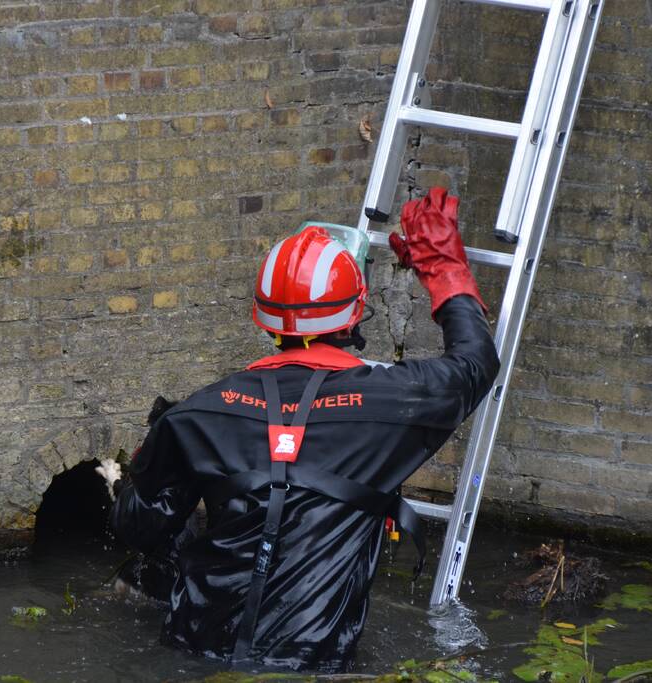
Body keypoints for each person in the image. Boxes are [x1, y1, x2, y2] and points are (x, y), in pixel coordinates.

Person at [103, 188, 500, 673]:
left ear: (265, 319)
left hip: (195, 647)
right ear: (356, 312)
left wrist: (144, 468)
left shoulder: (197, 414)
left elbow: (138, 526)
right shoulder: (393, 404)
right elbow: (476, 362)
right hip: (314, 658)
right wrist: (441, 266)